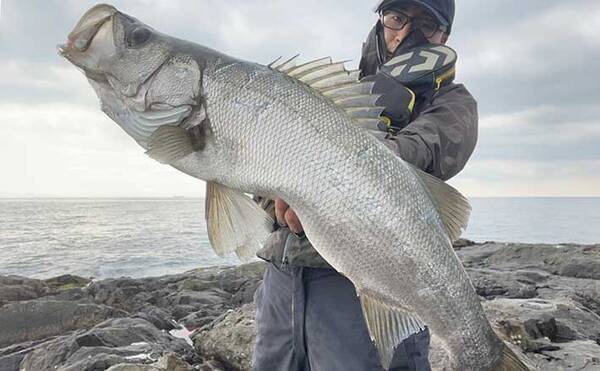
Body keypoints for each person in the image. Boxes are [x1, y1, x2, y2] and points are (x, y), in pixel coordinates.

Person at [252, 0, 478, 370]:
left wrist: (322, 172)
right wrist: (274, 193)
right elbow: (262, 170)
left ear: (445, 36)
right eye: (396, 18)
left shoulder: (453, 103)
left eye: (426, 24)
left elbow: (424, 148)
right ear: (380, 22)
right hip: (283, 279)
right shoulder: (338, 93)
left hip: (369, 289)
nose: (405, 33)